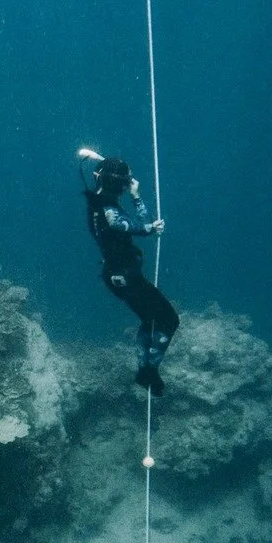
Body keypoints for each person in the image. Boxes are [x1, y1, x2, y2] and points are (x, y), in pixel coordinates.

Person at [78, 147, 178, 396]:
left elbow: (137, 226)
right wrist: (138, 201)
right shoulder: (108, 209)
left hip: (119, 277)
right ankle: (148, 371)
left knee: (150, 319)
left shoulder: (96, 201)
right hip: (127, 278)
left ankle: (145, 370)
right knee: (169, 320)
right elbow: (129, 225)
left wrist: (145, 218)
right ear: (118, 184)